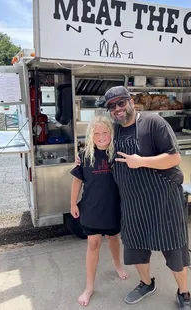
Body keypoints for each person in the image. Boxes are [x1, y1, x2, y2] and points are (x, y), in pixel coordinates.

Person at [76, 86, 191, 310]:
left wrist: (142, 161)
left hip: (164, 201)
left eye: (121, 103)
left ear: (131, 102)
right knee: (137, 249)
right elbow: (98, 144)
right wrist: (82, 156)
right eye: (112, 106)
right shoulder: (115, 131)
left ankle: (184, 293)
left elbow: (174, 158)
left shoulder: (153, 123)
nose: (117, 109)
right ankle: (146, 283)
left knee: (174, 251)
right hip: (132, 204)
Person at [70, 115, 128, 307]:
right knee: (93, 244)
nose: (102, 137)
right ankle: (89, 287)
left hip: (113, 207)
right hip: (92, 208)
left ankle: (117, 264)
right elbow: (77, 181)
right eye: (97, 134)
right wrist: (72, 204)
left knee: (113, 238)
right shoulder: (85, 156)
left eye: (105, 133)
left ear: (111, 133)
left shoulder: (118, 154)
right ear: (90, 136)